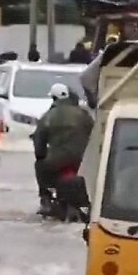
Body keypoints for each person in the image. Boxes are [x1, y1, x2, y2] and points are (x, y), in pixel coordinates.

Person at [33, 82, 94, 215]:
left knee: (40, 166)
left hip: (57, 161)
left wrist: (41, 156)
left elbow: (39, 141)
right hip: (82, 160)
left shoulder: (48, 116)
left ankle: (46, 199)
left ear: (54, 98)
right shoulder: (83, 114)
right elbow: (94, 133)